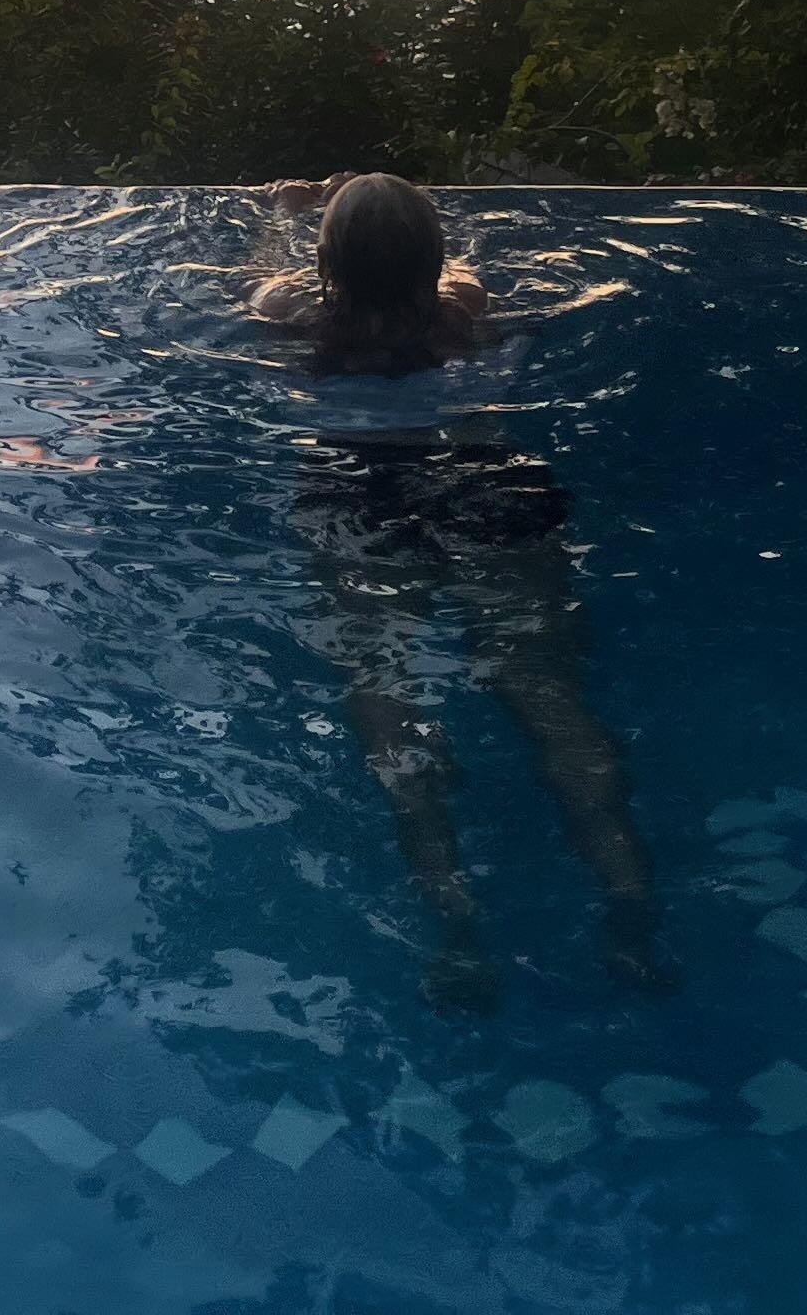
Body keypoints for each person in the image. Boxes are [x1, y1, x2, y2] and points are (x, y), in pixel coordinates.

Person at [263, 172, 673, 1012]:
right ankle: (631, 908)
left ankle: (455, 930)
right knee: (551, 697)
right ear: (435, 252)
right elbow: (455, 273)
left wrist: (287, 216)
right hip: (482, 483)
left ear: (326, 261)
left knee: (385, 697)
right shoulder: (465, 307)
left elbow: (272, 279)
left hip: (356, 493)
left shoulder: (295, 319)